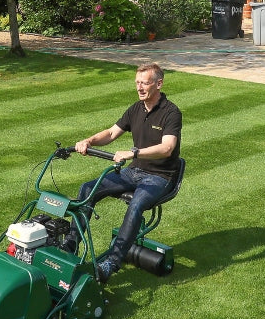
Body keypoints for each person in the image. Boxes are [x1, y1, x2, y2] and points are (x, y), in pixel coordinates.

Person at [70, 62, 182, 282]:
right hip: (134, 172)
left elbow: (167, 148)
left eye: (145, 83)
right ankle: (70, 244)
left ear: (159, 84)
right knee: (88, 189)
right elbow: (112, 133)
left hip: (160, 177)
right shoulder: (135, 109)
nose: (140, 88)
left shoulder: (171, 112)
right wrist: (89, 141)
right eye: (137, 83)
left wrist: (134, 153)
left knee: (136, 205)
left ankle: (112, 262)